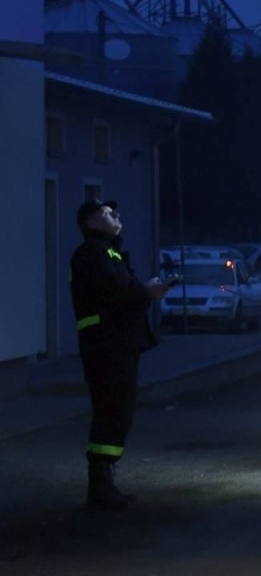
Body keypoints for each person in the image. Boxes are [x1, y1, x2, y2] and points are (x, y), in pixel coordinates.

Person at [70, 199, 168, 511]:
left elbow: (122, 291)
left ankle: (104, 483)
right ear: (90, 222)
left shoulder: (107, 252)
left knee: (117, 412)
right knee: (112, 412)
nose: (115, 214)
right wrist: (146, 291)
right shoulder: (92, 253)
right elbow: (114, 291)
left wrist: (145, 291)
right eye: (106, 212)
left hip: (116, 344)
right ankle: (99, 487)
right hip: (106, 345)